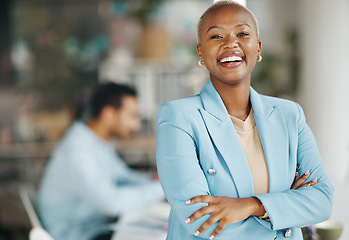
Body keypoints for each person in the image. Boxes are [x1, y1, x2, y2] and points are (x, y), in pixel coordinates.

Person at [156, 1, 333, 240]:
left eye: (242, 33)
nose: (231, 43)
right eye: (217, 36)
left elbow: (322, 201)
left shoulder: (289, 114)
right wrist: (285, 209)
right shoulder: (178, 118)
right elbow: (202, 221)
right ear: (200, 52)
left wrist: (251, 206)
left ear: (258, 48)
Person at [38, 83, 164, 240]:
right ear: (109, 114)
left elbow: (121, 177)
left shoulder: (95, 142)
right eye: (132, 116)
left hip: (94, 229)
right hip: (77, 236)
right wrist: (164, 187)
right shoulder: (79, 152)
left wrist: (153, 179)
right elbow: (112, 203)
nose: (137, 125)